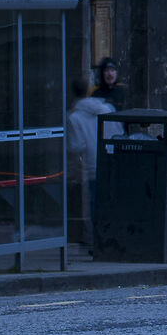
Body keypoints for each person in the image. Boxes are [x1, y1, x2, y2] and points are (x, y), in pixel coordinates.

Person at [66, 76, 113, 245]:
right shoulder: (107, 109)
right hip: (110, 161)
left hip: (92, 165)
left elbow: (75, 146)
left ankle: (97, 239)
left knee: (95, 203)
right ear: (89, 91)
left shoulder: (74, 117)